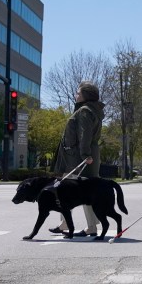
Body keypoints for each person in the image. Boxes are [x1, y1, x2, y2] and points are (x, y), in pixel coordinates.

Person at [51, 81, 104, 237]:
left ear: (85, 96)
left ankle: (86, 226)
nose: (76, 95)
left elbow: (84, 134)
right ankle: (69, 224)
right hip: (82, 156)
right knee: (81, 191)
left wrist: (85, 155)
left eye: (78, 93)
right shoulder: (92, 110)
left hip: (78, 158)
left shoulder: (85, 111)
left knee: (71, 191)